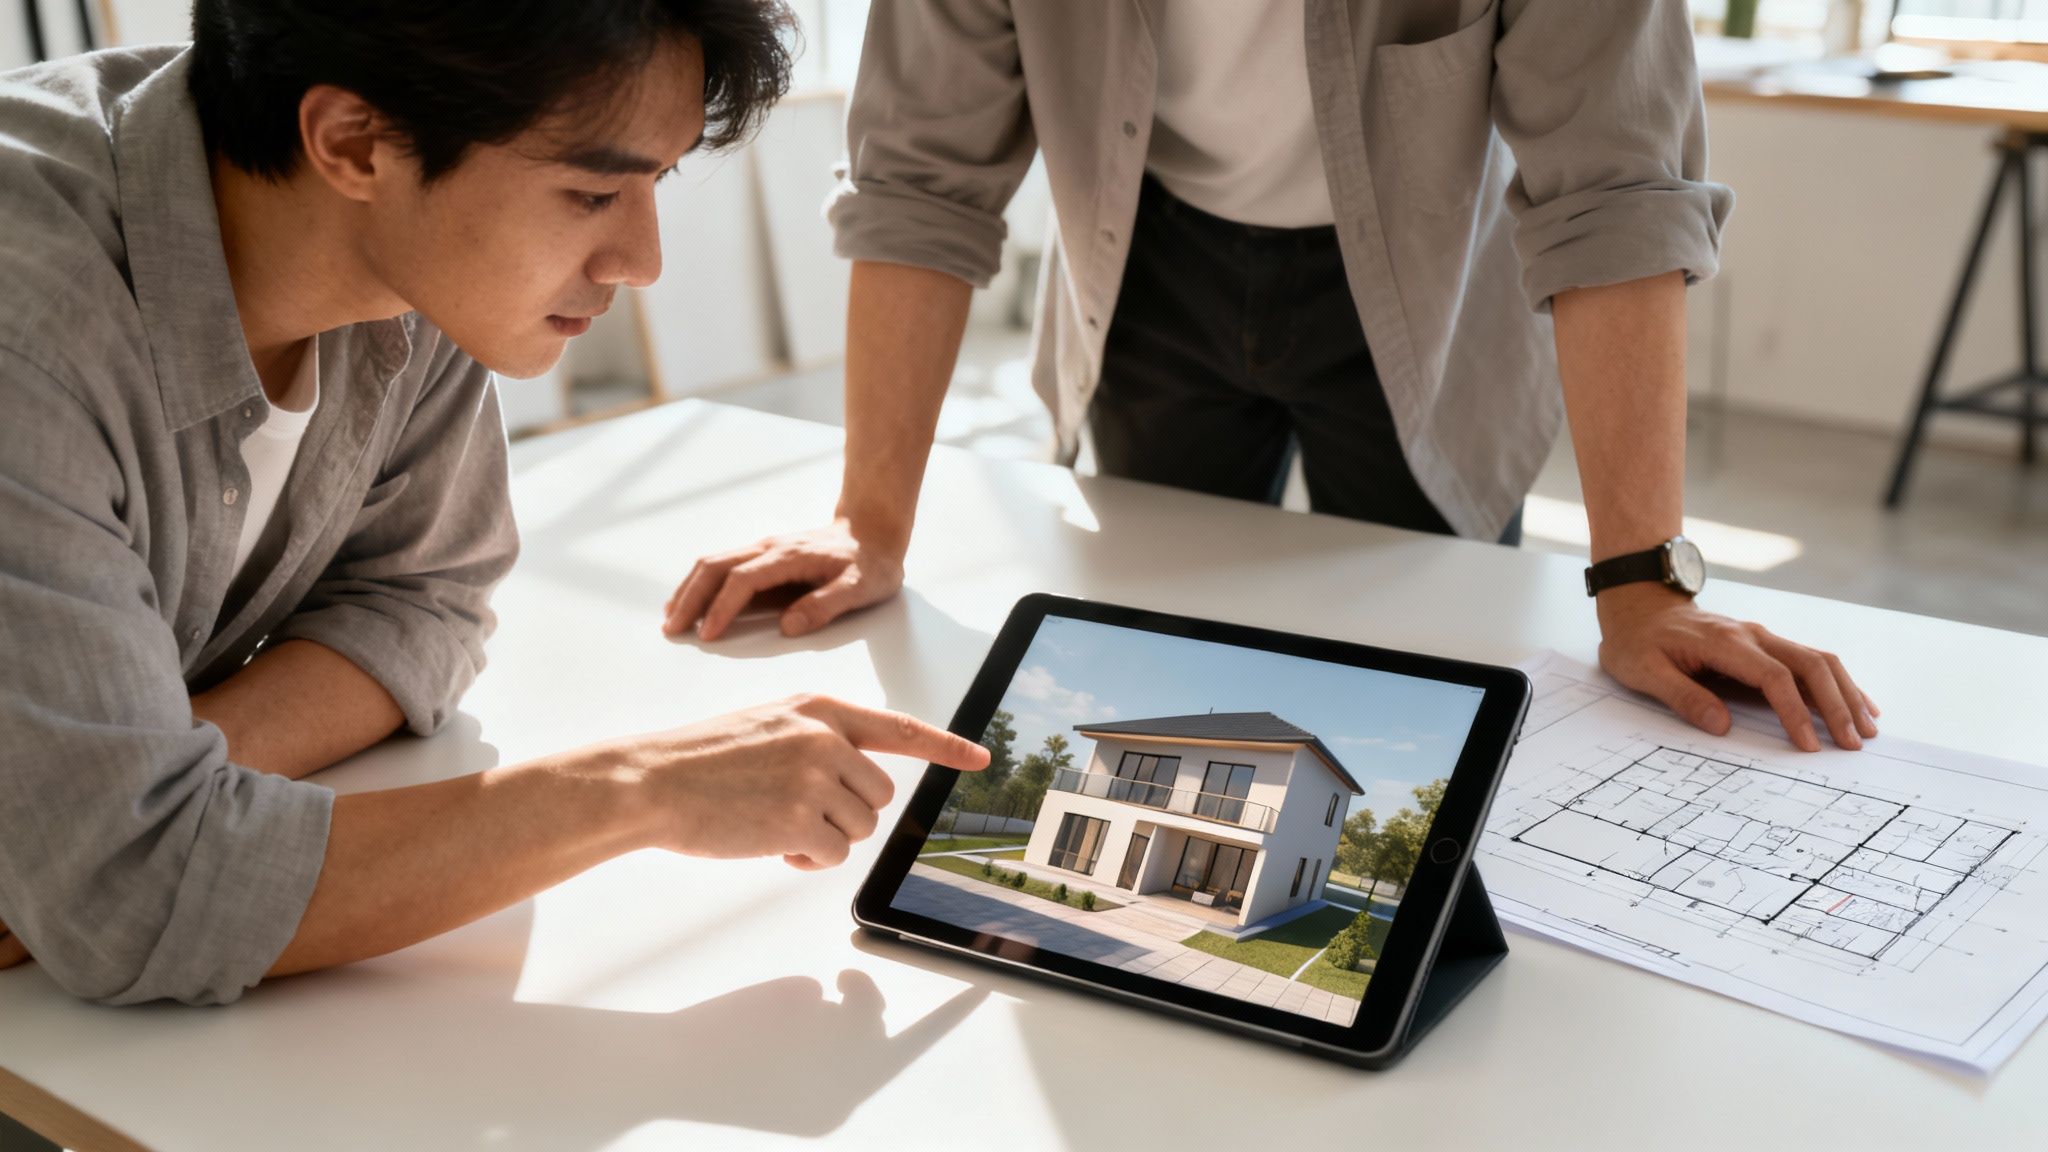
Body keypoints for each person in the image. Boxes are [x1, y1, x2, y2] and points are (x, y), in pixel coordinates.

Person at [0, 0, 986, 1006]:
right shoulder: (30, 331)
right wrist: (640, 786)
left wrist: (130, 781)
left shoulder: (403, 260)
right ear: (353, 143)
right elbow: (132, 900)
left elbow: (424, 599)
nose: (641, 264)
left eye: (657, 180)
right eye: (592, 192)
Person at [665, 0, 1881, 755]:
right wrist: (866, 520)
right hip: (1143, 267)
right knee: (1157, 676)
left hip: (1427, 294)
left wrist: (1639, 584)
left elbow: (1615, 195)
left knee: (1432, 700)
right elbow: (918, 183)